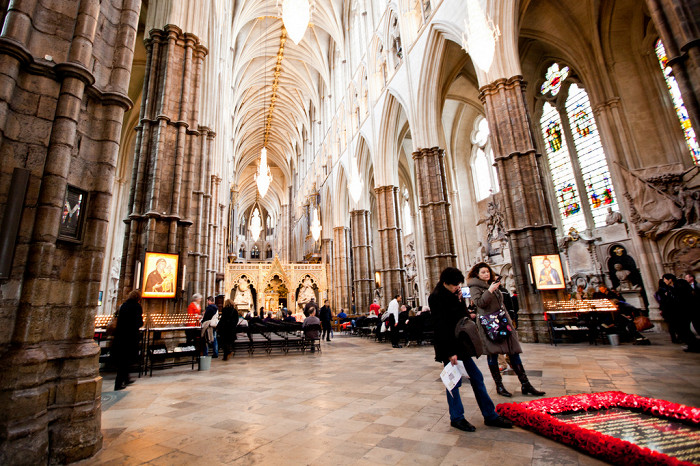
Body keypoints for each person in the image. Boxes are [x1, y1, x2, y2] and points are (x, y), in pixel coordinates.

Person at [429, 267, 513, 431]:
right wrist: (450, 352)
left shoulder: (454, 294)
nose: (457, 287)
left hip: (461, 345)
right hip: (449, 347)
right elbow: (441, 326)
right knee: (454, 383)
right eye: (455, 285)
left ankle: (489, 415)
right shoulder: (436, 297)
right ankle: (457, 417)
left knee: (477, 378)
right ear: (446, 283)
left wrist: (460, 300)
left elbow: (462, 316)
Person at [468, 262, 546, 397]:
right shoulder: (475, 287)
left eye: (487, 271)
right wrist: (490, 290)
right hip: (489, 325)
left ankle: (525, 383)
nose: (486, 274)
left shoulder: (494, 284)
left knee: (513, 351)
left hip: (503, 322)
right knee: (493, 354)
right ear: (477, 274)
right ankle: (499, 385)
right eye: (483, 272)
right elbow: (480, 303)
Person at [655, 274, 700, 352]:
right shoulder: (669, 288)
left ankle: (694, 345)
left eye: (665, 279)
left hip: (688, 310)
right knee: (682, 330)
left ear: (670, 280)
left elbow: (683, 296)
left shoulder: (680, 284)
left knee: (686, 329)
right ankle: (692, 345)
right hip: (679, 312)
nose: (664, 281)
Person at [112, 290, 144, 390]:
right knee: (126, 359)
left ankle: (125, 378)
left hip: (120, 336)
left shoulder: (123, 305)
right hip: (130, 336)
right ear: (138, 298)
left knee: (123, 359)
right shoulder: (136, 307)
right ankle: (119, 382)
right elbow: (139, 322)